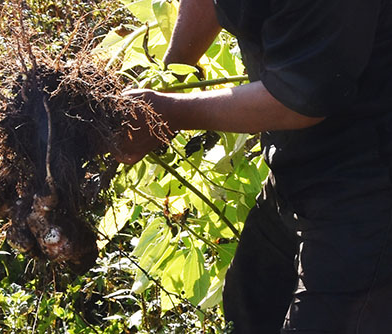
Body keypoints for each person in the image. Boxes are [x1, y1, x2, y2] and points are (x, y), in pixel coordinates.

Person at [115, 0, 392, 333]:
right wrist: (171, 74)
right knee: (247, 311)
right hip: (294, 173)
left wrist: (169, 112)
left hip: (370, 188)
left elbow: (300, 101)